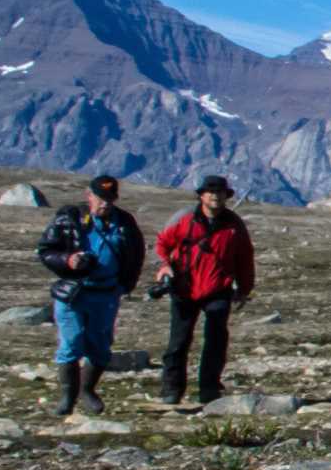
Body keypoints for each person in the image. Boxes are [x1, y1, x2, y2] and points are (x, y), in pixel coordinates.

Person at [35, 175, 144, 415]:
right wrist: (68, 260)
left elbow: (136, 255)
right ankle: (67, 398)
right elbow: (46, 250)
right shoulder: (70, 217)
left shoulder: (125, 222)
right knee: (71, 343)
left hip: (106, 294)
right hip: (73, 293)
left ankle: (88, 390)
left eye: (110, 199)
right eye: (101, 198)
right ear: (89, 195)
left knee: (100, 346)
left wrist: (125, 285)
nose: (105, 203)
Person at [154, 174, 255, 405]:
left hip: (218, 289)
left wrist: (244, 289)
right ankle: (171, 389)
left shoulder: (234, 226)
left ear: (226, 196)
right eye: (211, 192)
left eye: (220, 192)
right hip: (184, 288)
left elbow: (244, 258)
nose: (215, 196)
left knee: (216, 341)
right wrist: (164, 266)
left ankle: (209, 389)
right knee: (178, 341)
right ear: (201, 195)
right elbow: (162, 244)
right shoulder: (184, 220)